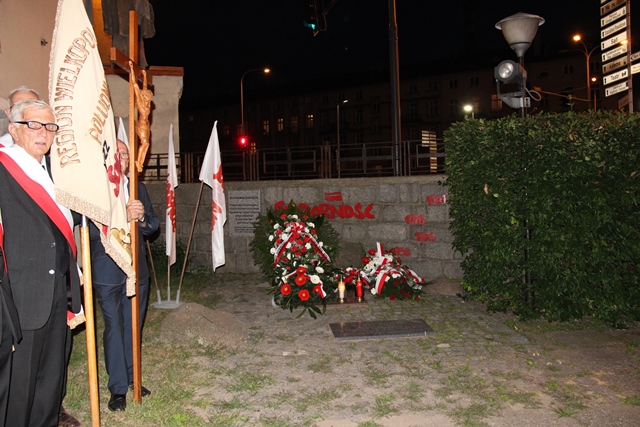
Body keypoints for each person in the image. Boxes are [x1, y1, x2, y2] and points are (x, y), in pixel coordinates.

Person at [0, 99, 83, 426]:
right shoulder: (5, 168)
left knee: (50, 383)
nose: (43, 133)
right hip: (21, 298)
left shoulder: (52, 172)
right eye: (33, 124)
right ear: (13, 129)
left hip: (57, 293)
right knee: (20, 389)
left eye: (49, 126)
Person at [90, 138, 158, 411]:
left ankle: (133, 377)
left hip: (136, 269)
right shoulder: (95, 189)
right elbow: (87, 230)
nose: (123, 159)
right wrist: (118, 218)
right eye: (117, 154)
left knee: (133, 326)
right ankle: (117, 388)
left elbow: (153, 226)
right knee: (114, 326)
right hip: (107, 269)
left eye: (126, 155)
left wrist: (140, 218)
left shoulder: (137, 187)